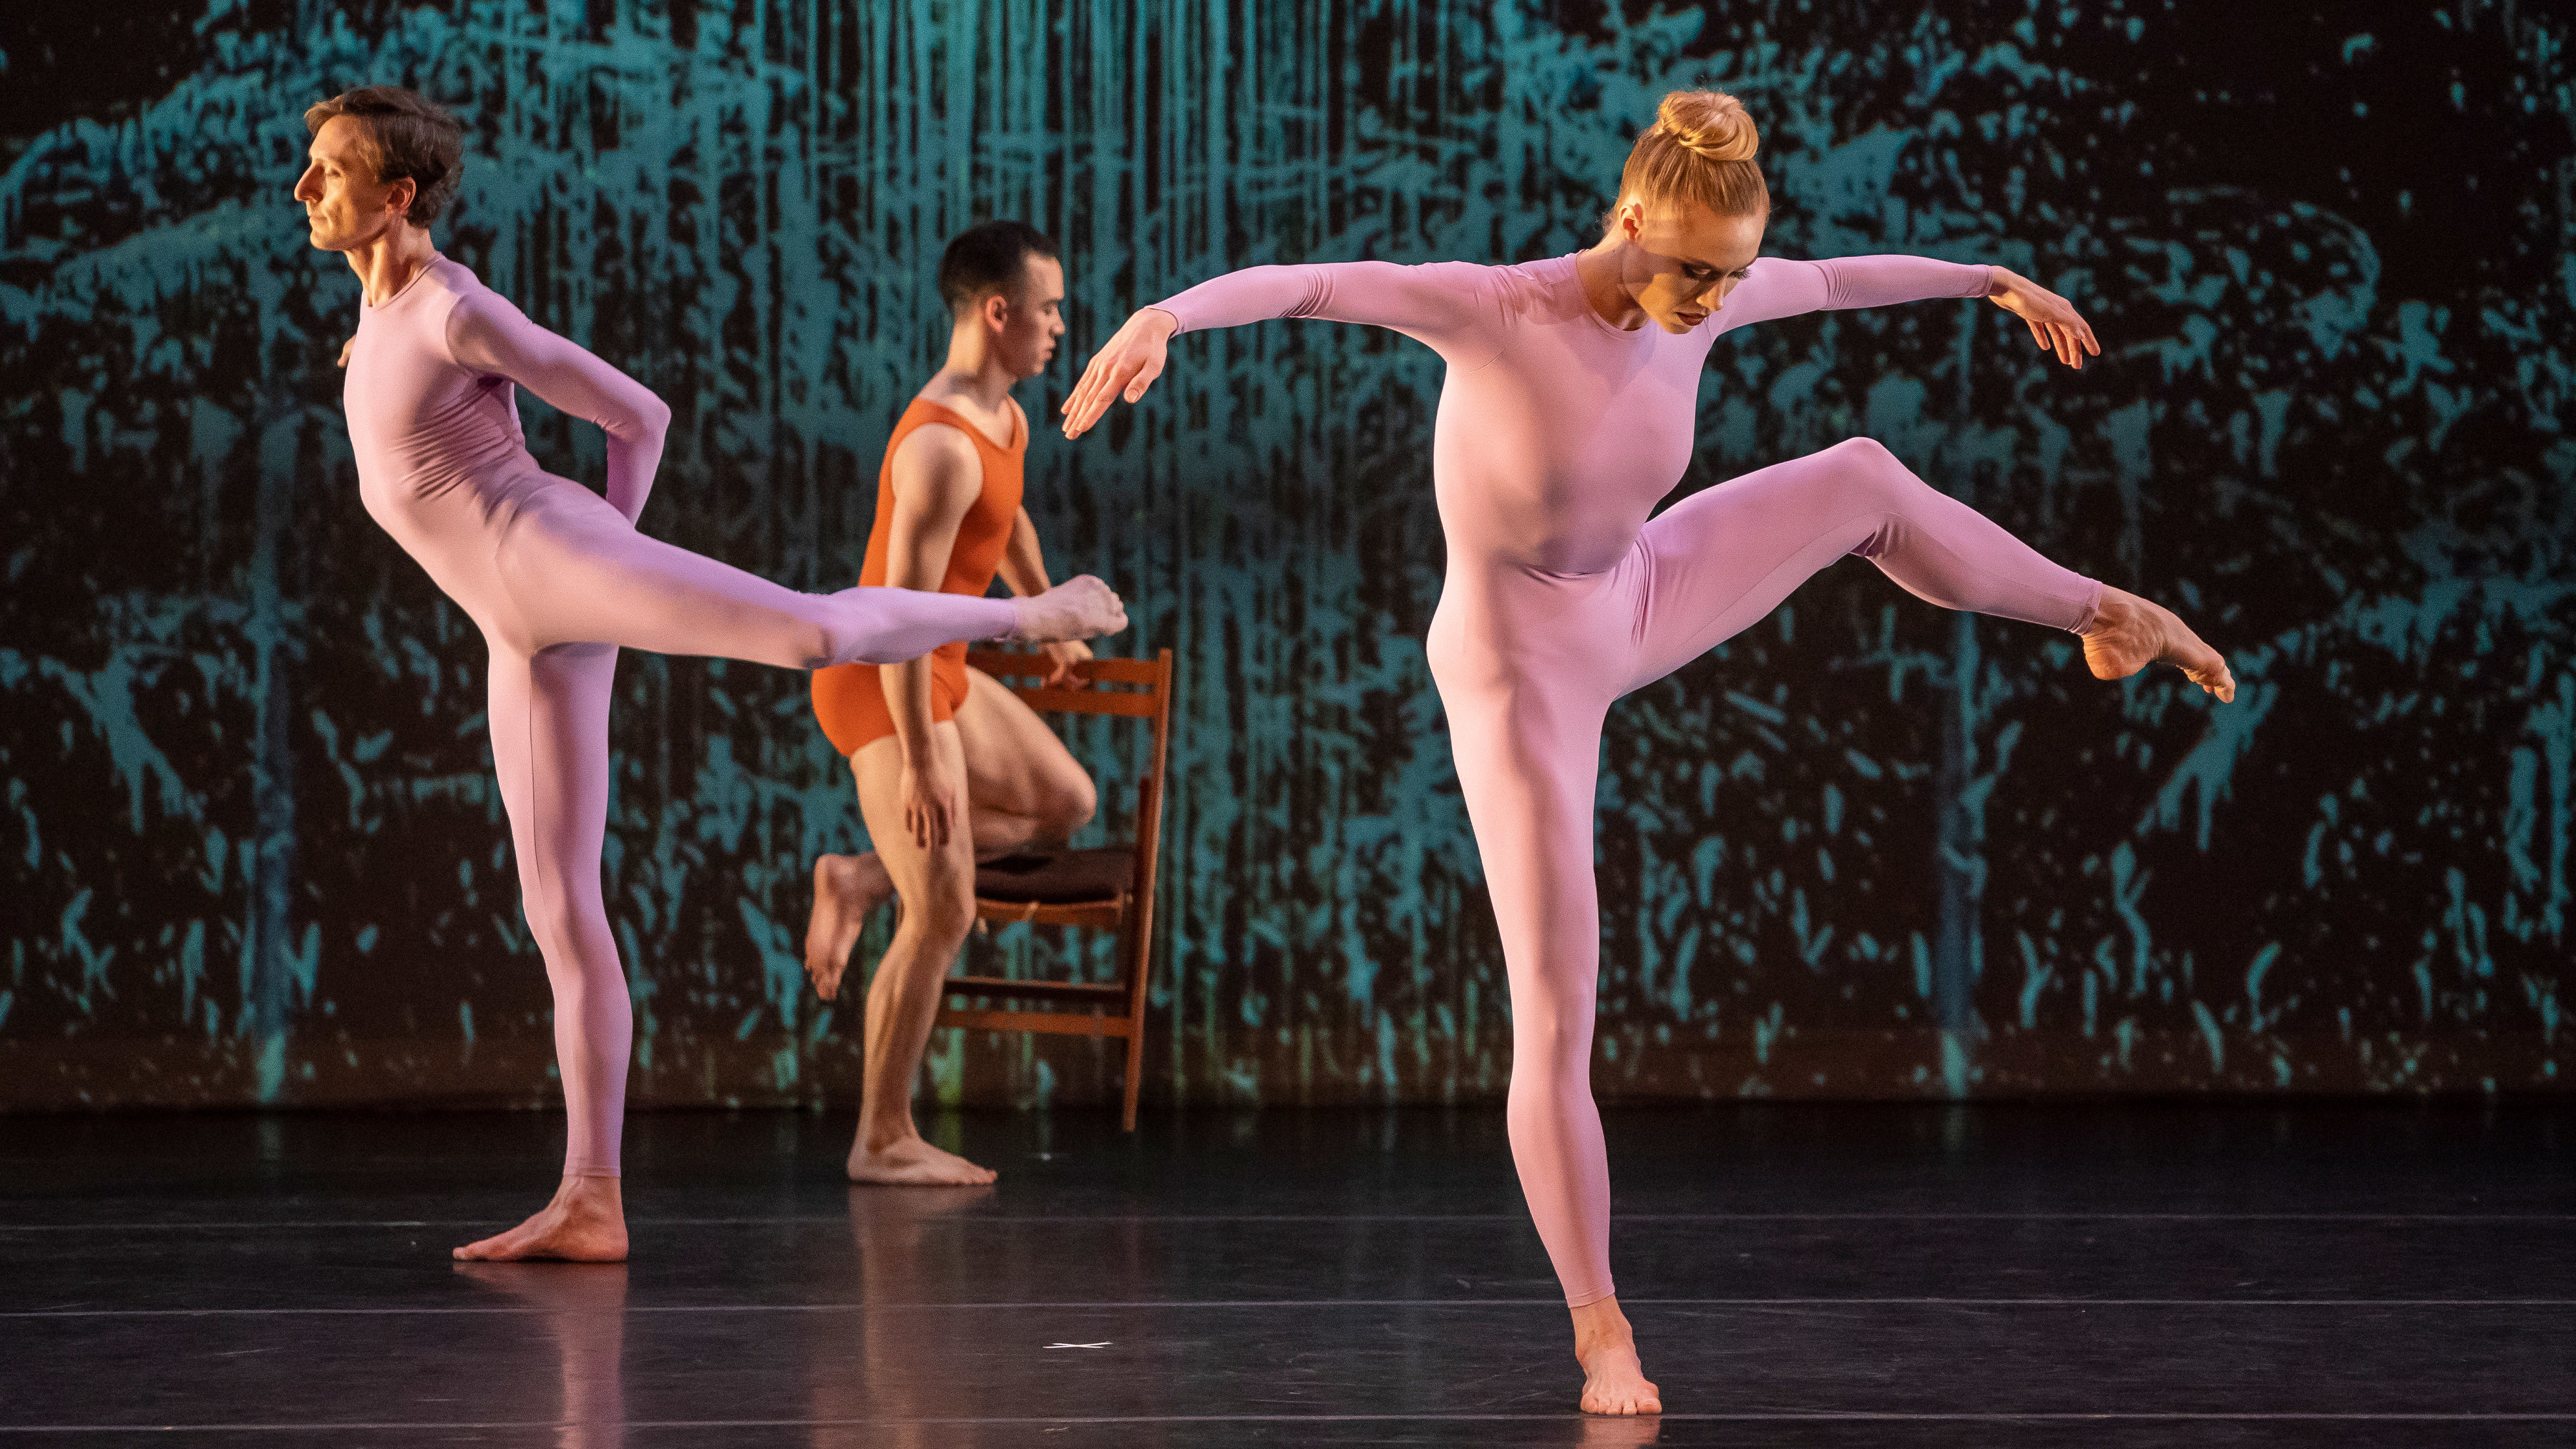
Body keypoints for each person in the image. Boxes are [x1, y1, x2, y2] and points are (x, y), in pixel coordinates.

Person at [1061, 89, 2233, 1415]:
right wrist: (1167, 315)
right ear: (1629, 224)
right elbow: (1319, 285)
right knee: (1559, 1009)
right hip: (1515, 666)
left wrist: (1987, 280)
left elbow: (1843, 279)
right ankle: (1601, 1327)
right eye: (1692, 272)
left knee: (1859, 474)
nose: (1711, 300)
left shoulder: (1716, 292)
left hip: (1633, 593)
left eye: (1730, 276)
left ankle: (2109, 613)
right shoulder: (1499, 308)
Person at [296, 87, 1126, 1263]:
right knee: (559, 910)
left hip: (556, 562)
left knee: (809, 630)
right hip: (516, 623)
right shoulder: (384, 319)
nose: (304, 188)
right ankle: (591, 1196)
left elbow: (639, 413)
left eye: (328, 171)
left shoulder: (453, 311)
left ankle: (1030, 612)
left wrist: (609, 556)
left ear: (398, 197)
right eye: (310, 169)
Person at [803, 222, 1103, 1186]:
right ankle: (881, 1136)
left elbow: (1005, 516)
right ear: (997, 311)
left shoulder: (1002, 415)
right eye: (1049, 308)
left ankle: (855, 879)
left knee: (1066, 803)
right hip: (880, 685)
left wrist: (1050, 618)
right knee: (946, 910)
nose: (1061, 325)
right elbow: (893, 619)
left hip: (941, 668)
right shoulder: (938, 447)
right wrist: (928, 761)